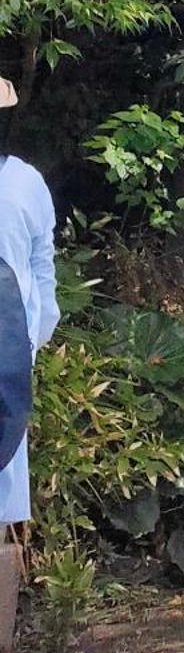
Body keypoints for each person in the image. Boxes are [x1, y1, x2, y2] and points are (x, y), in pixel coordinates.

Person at [0, 149, 58, 529]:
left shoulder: (25, 182)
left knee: (4, 452)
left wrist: (31, 341)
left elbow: (42, 269)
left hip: (10, 343)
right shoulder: (25, 183)